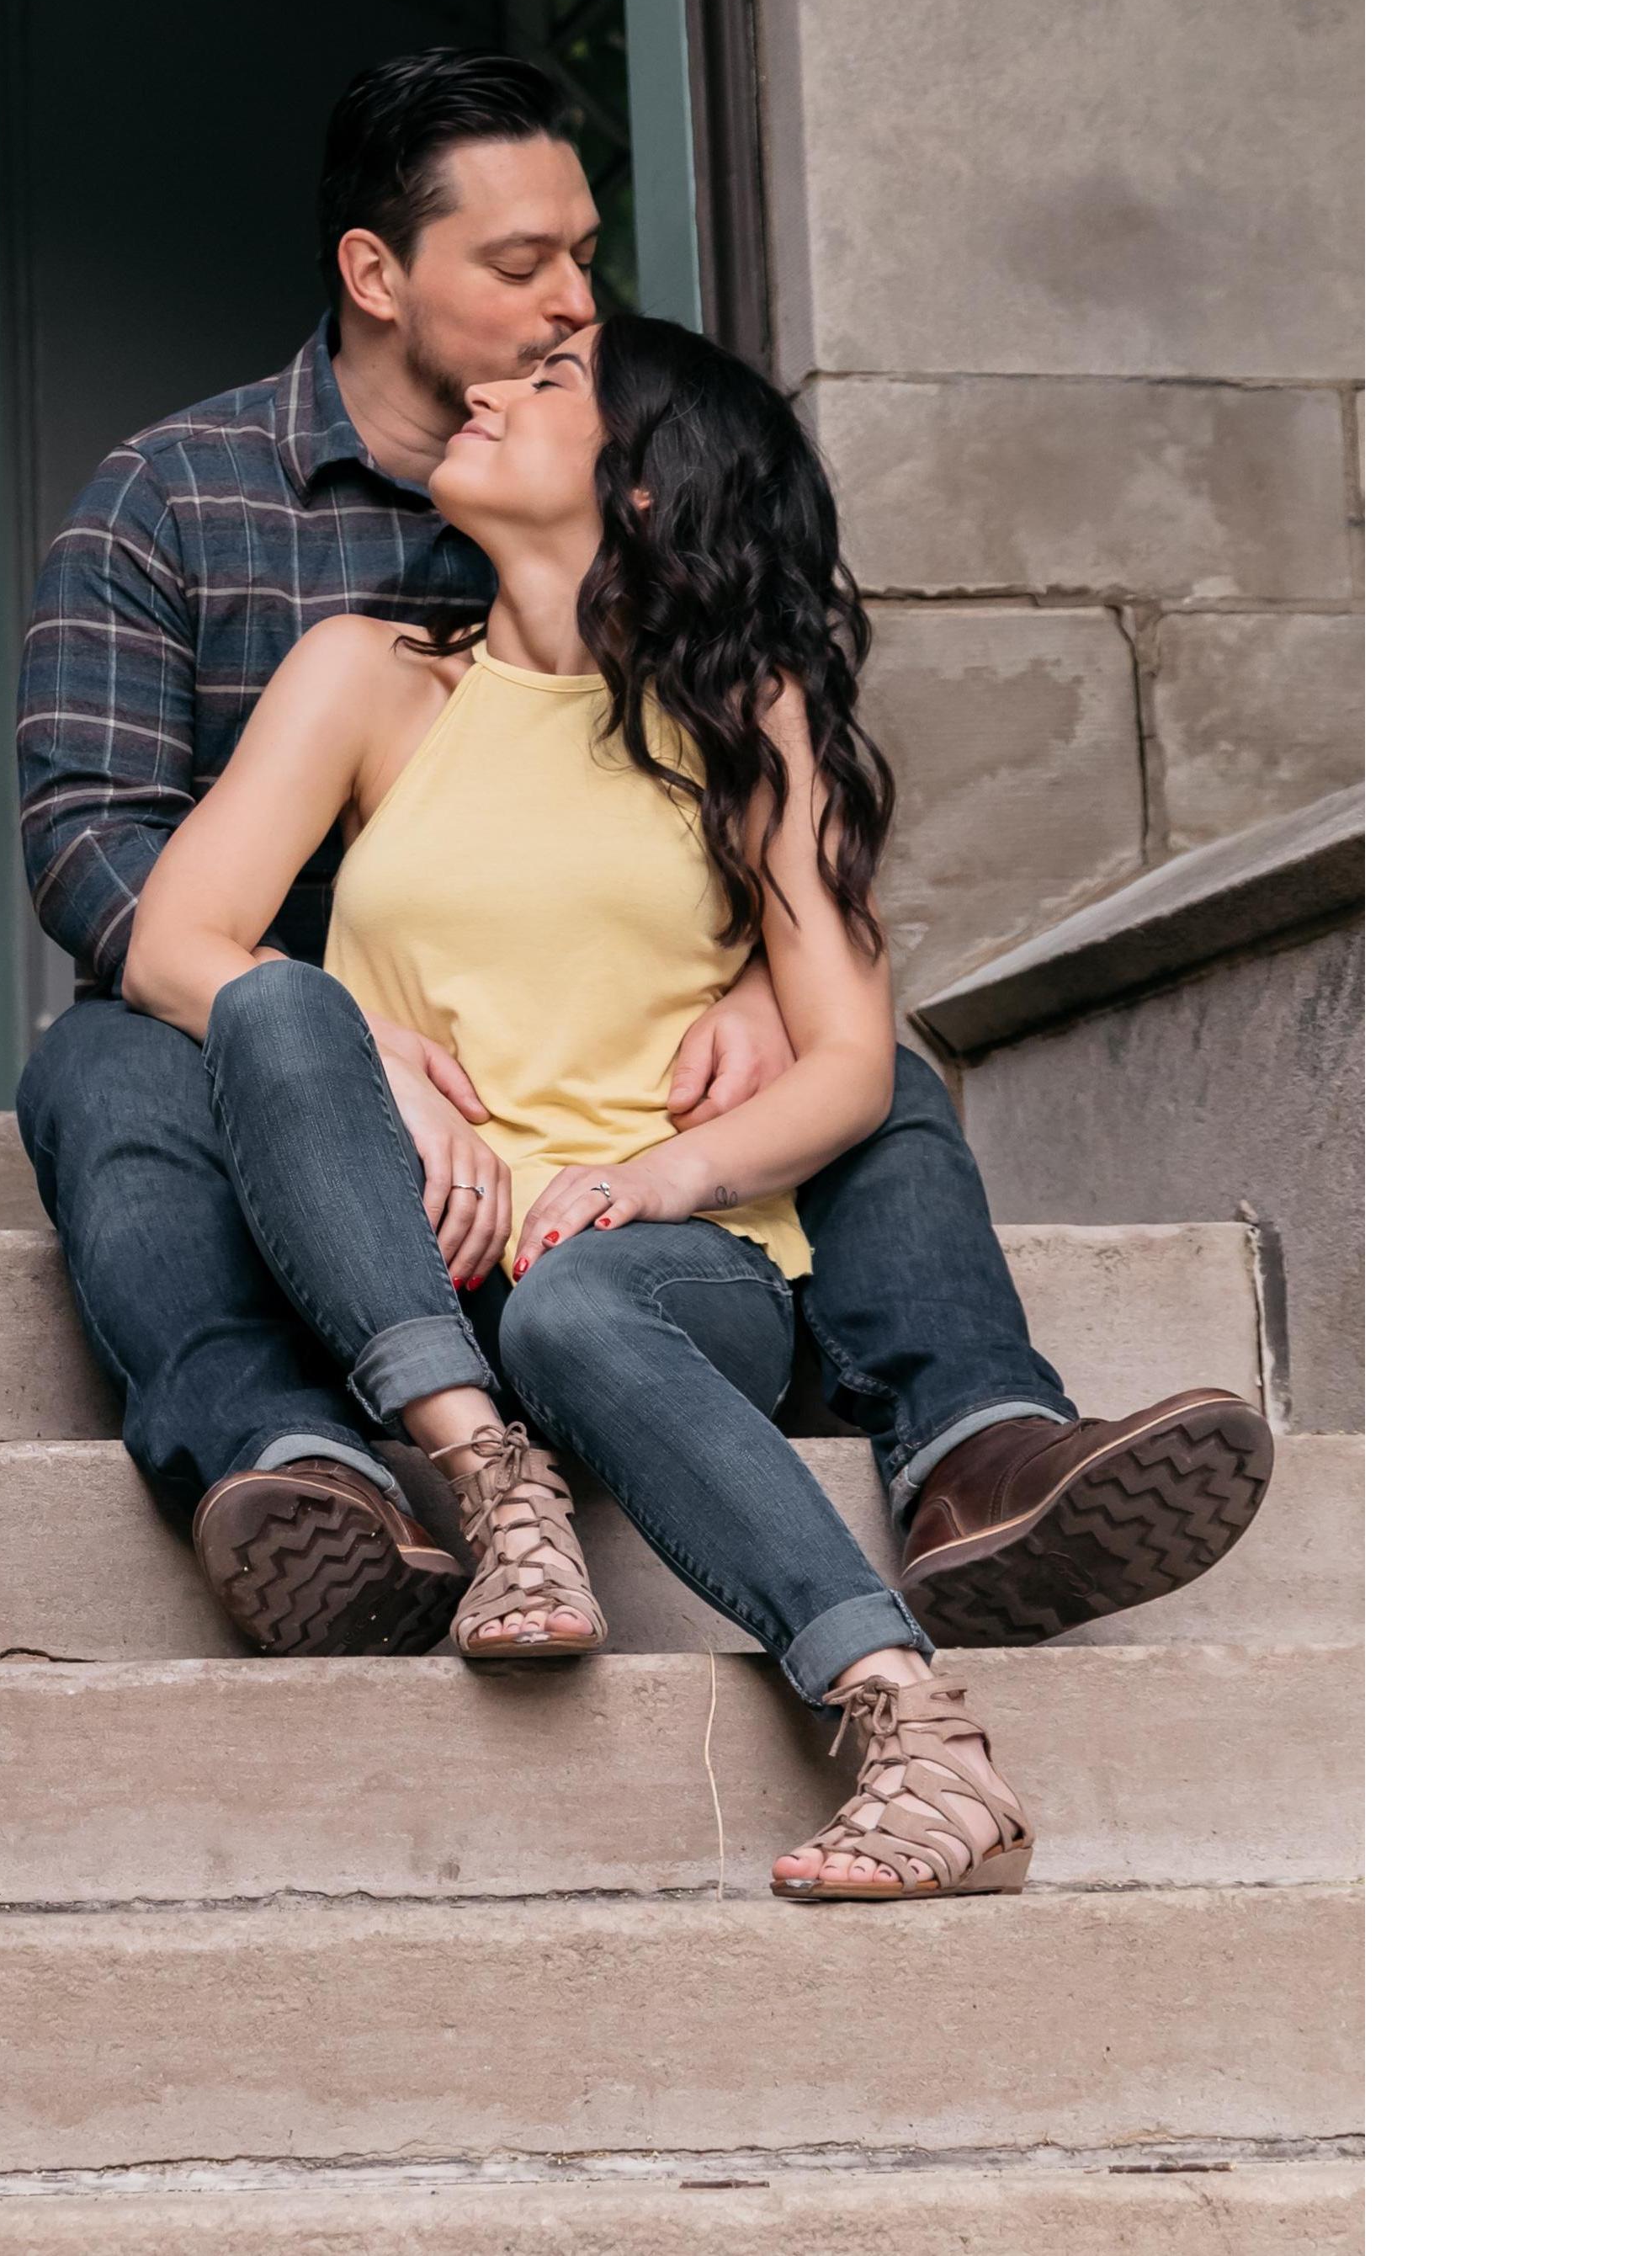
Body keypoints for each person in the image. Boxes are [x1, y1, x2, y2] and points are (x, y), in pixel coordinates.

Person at [12, 46, 1271, 1668]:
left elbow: (745, 803)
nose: (561, 310)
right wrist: (332, 1032)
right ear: (376, 275)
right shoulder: (185, 507)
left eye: (581, 265)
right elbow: (94, 852)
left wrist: (753, 972)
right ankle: (296, 1466)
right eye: (518, 268)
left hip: (598, 1116)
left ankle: (975, 1445)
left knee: (869, 1075)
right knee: (111, 1062)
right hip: (298, 1062)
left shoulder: (649, 537)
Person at [116, 311, 1065, 1896]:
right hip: (404, 1258)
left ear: (640, 483)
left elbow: (849, 1056)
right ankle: (488, 1474)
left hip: (658, 1271)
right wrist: (379, 1068)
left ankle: (917, 1735)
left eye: (548, 380)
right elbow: (172, 942)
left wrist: (667, 1173)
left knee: (574, 1306)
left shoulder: (747, 714)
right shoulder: (365, 679)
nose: (482, 387)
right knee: (277, 996)